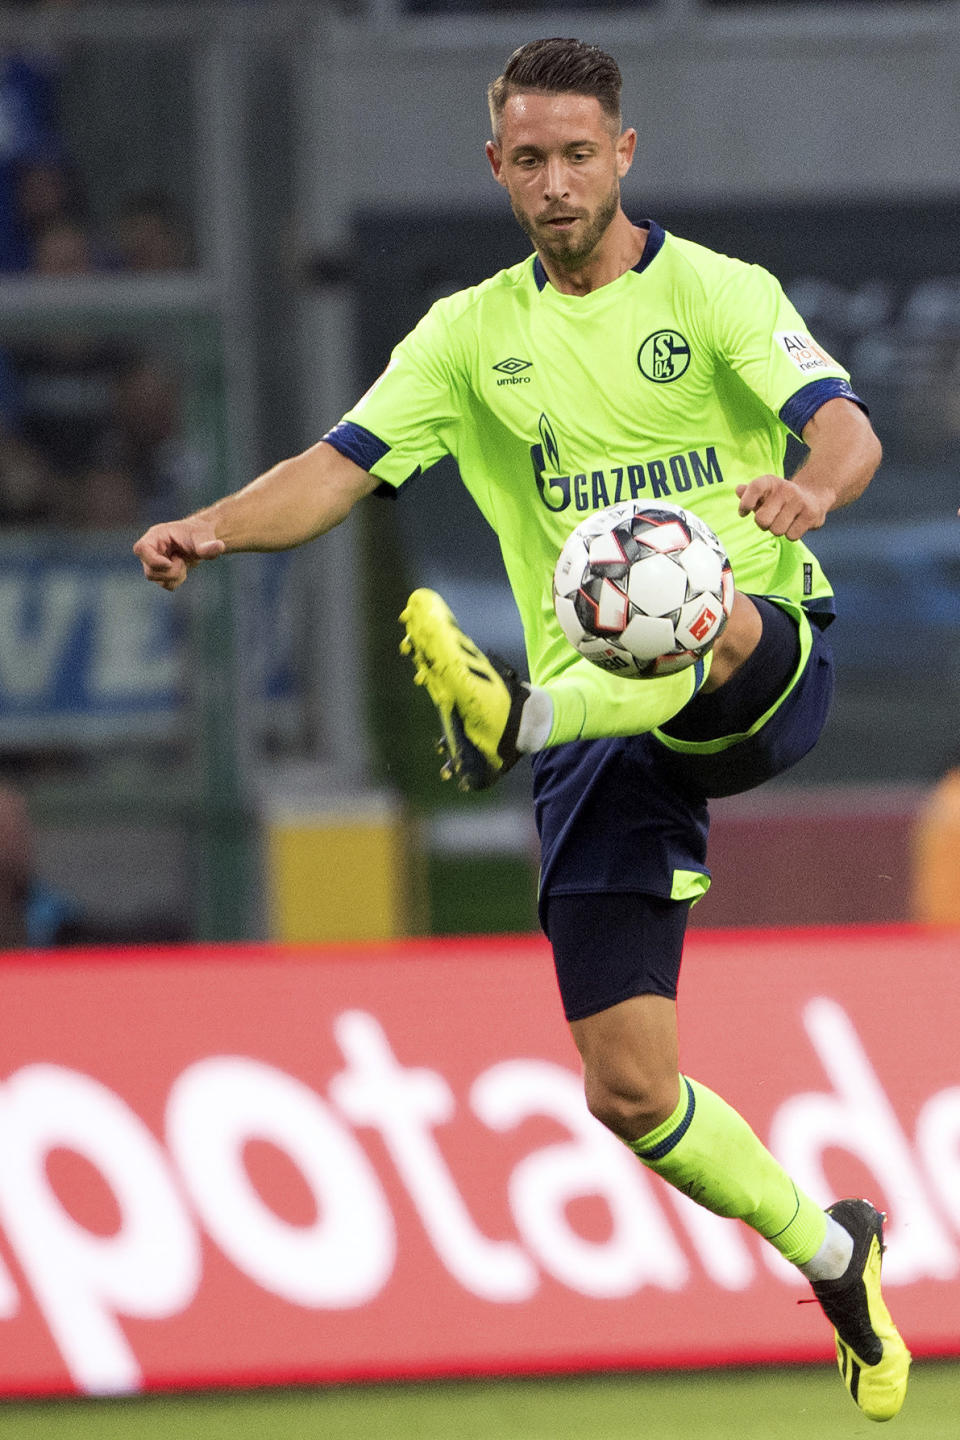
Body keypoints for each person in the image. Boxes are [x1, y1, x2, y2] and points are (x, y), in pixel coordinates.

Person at [134, 38, 909, 1421]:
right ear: (497, 169)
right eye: (529, 160)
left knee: (700, 601)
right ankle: (833, 1249)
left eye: (579, 155)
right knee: (628, 1092)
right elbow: (335, 468)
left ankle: (518, 711)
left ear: (626, 154)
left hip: (763, 665)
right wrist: (211, 526)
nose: (557, 184)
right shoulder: (465, 337)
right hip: (599, 745)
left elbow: (844, 426)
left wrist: (814, 495)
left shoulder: (719, 294)